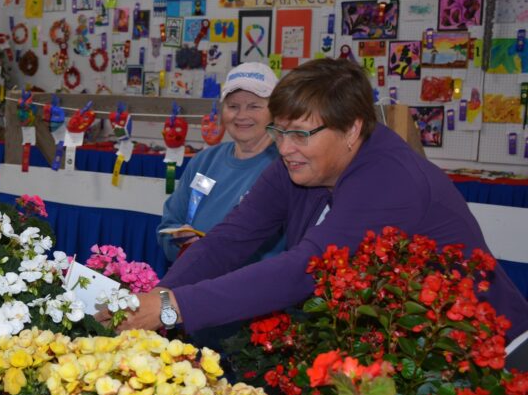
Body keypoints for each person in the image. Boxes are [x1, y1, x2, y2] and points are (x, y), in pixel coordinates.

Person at [110, 58, 528, 358]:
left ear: (351, 129)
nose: (284, 148)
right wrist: (161, 297)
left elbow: (305, 268)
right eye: (279, 131)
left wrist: (175, 308)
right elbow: (230, 239)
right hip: (405, 349)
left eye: (300, 135)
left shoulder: (388, 178)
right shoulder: (300, 163)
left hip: (486, 354)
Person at [157, 62, 283, 263]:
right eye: (233, 106)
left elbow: (285, 250)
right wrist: (182, 246)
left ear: (275, 111)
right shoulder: (204, 161)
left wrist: (212, 259)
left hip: (248, 290)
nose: (241, 115)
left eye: (254, 106)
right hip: (191, 281)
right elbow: (167, 227)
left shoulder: (286, 167)